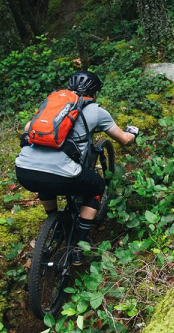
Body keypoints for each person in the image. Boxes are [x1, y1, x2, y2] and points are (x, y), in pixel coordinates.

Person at [15, 70, 138, 265]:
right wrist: (132, 132)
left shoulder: (52, 104)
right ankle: (78, 245)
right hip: (62, 173)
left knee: (44, 181)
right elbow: (123, 139)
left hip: (24, 170)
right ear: (94, 92)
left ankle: (56, 227)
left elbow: (27, 128)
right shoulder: (96, 110)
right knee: (96, 187)